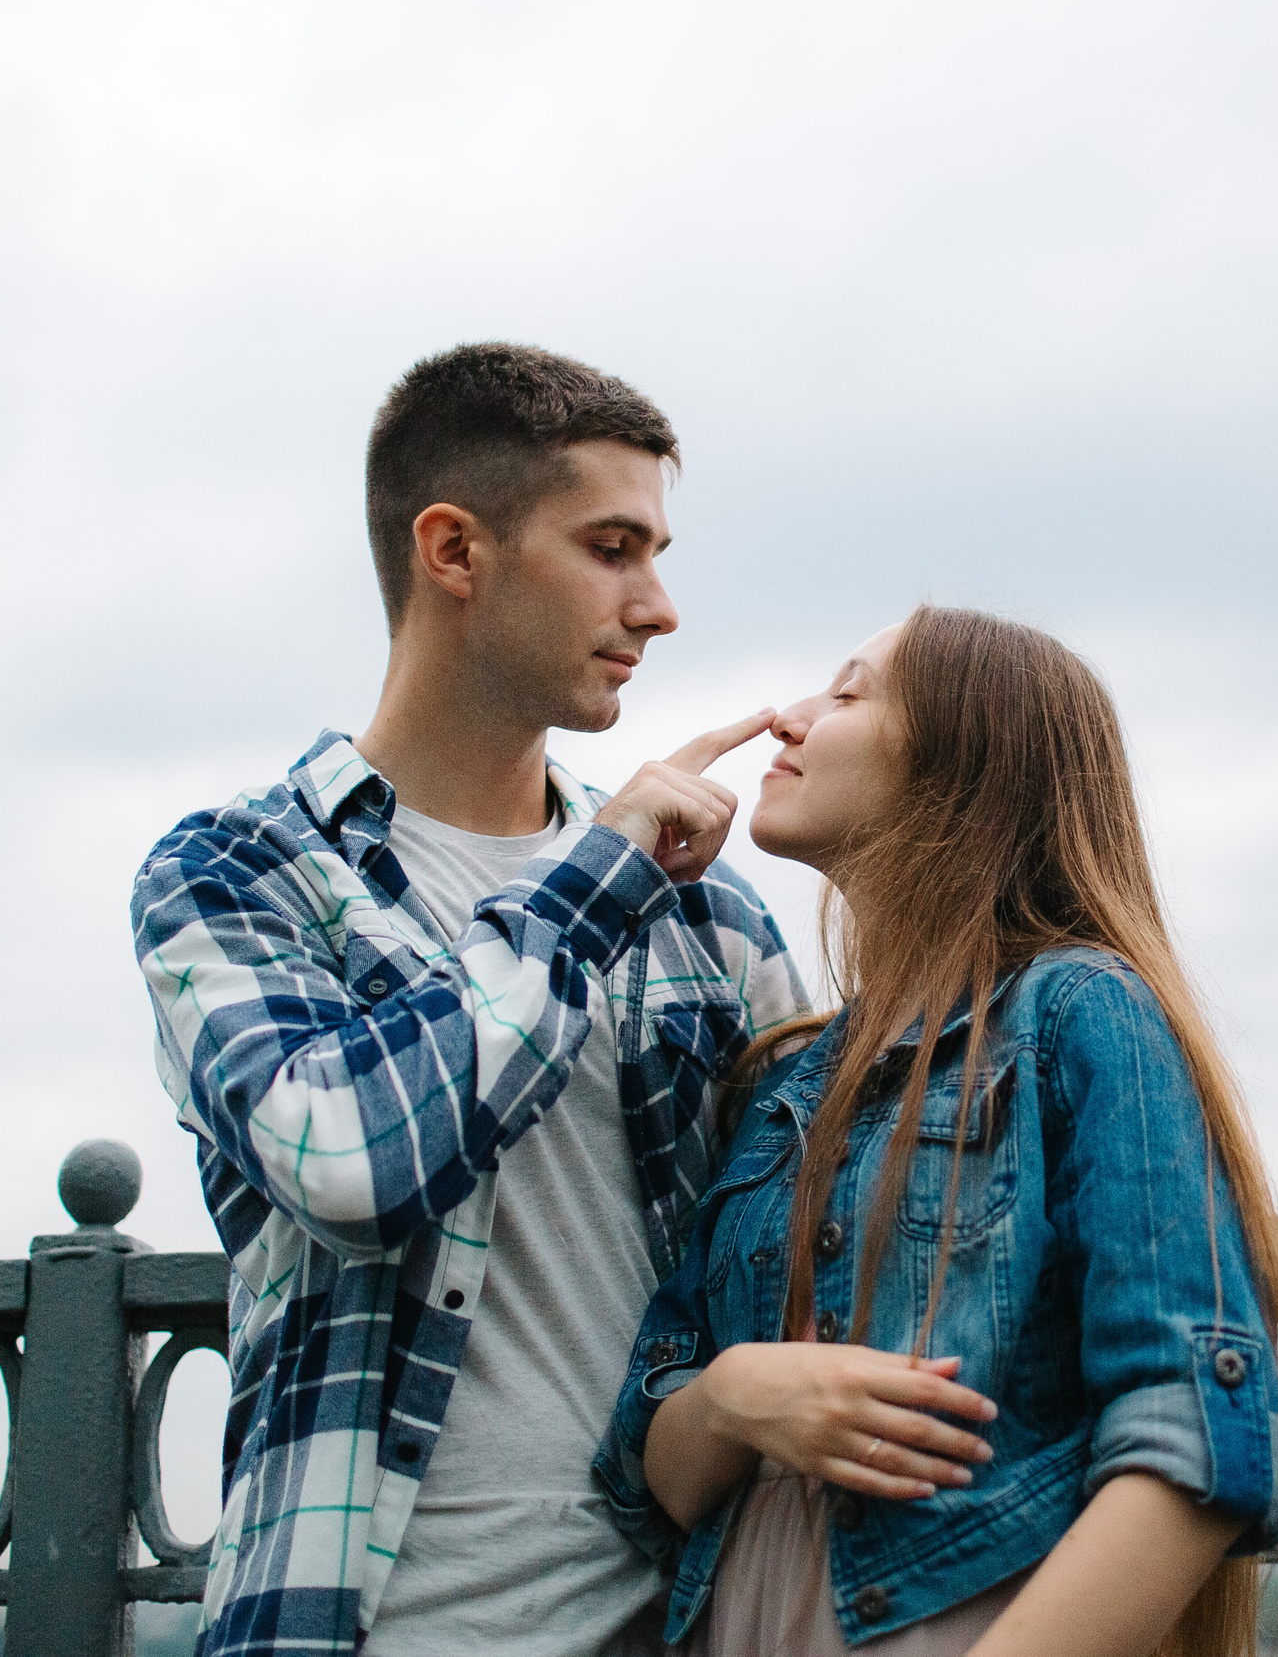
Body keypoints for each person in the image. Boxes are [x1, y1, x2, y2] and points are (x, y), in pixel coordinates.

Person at [130, 343, 805, 1657]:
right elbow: (355, 1161)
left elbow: (835, 1225)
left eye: (657, 552)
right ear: (455, 551)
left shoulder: (707, 915)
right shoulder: (234, 875)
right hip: (352, 1625)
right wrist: (592, 877)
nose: (659, 606)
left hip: (678, 1620)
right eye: (613, 547)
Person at [594, 608, 1278, 1657]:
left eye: (844, 694)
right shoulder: (779, 1081)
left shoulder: (1079, 1013)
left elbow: (1203, 1435)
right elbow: (643, 1469)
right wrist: (736, 1398)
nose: (788, 720)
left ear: (965, 766)